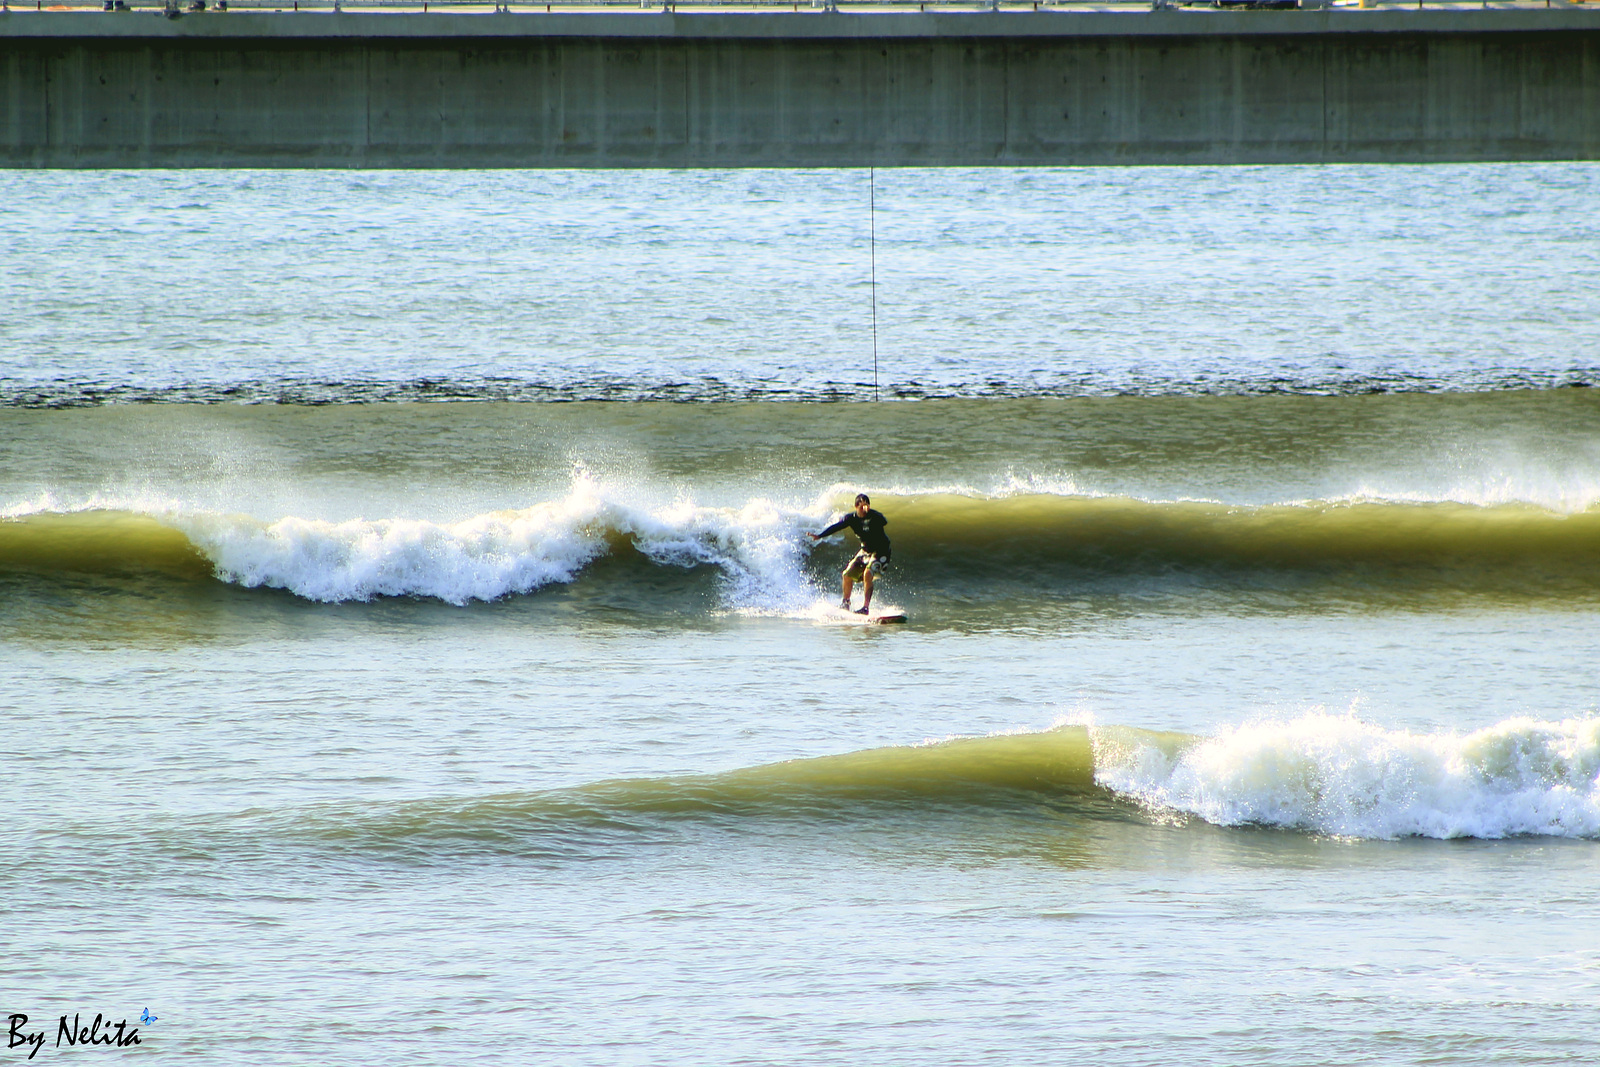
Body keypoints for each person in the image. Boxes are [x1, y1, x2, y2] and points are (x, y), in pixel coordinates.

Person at [808, 493, 890, 614]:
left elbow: (884, 521)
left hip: (881, 550)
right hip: (865, 551)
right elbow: (836, 527)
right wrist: (820, 535)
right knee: (846, 575)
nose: (864, 509)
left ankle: (865, 608)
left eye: (866, 506)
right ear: (856, 507)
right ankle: (845, 604)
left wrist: (870, 511)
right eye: (861, 507)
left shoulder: (875, 517)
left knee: (868, 573)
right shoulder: (851, 518)